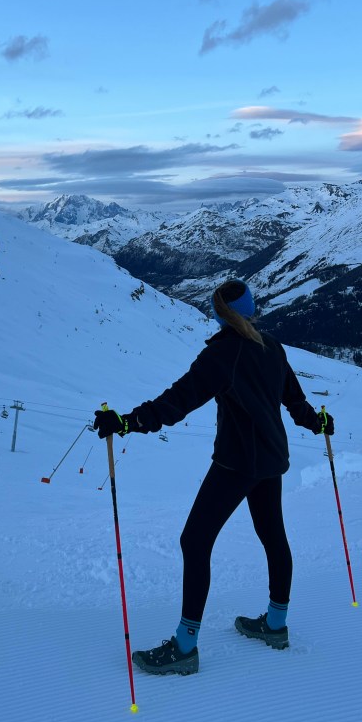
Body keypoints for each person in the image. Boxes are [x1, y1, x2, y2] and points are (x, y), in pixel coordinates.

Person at [93, 279, 334, 676]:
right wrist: (318, 423)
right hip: (270, 460)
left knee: (195, 540)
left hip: (236, 464)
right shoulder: (271, 346)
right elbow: (295, 400)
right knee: (273, 536)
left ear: (220, 314)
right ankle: (275, 624)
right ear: (251, 308)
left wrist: (127, 422)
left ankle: (185, 646)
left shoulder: (223, 353)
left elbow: (178, 400)